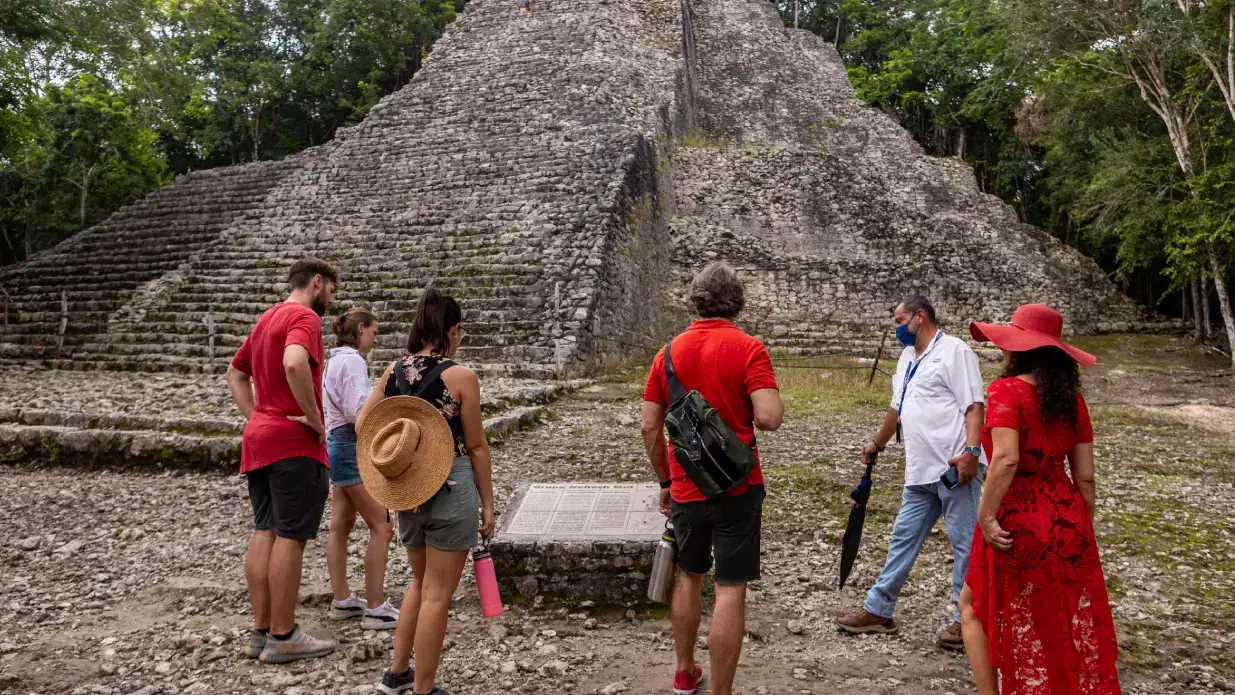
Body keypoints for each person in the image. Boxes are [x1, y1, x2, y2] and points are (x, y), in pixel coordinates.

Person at [961, 305, 1122, 695]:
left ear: (1019, 349)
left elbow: (1006, 458)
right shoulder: (1072, 402)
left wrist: (986, 516)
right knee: (1055, 614)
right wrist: (1081, 525)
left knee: (974, 606)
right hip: (1066, 515)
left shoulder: (1007, 390)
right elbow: (1084, 476)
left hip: (1016, 517)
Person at [641, 262, 784, 695]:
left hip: (686, 486)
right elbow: (770, 417)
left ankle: (685, 673)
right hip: (738, 487)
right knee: (730, 589)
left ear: (695, 299)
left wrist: (666, 481)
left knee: (689, 574)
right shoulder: (750, 348)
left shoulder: (666, 354)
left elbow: (650, 426)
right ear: (736, 302)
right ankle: (722, 690)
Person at [356, 288, 496, 695]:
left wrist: (394, 458)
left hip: (408, 490)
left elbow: (365, 423)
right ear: (453, 330)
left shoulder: (393, 372)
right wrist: (488, 504)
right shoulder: (461, 377)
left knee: (419, 585)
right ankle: (425, 688)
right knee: (437, 595)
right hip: (452, 489)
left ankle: (397, 673)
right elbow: (476, 446)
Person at [837, 295, 985, 651]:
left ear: (920, 317)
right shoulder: (906, 358)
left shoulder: (954, 352)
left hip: (954, 467)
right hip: (920, 470)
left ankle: (967, 619)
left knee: (965, 542)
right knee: (904, 536)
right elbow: (896, 408)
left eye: (900, 319)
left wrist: (971, 452)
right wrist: (878, 443)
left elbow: (974, 405)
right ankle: (879, 609)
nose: (896, 327)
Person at [225, 257, 339, 664]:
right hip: (294, 443)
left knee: (265, 529)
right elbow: (294, 362)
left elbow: (234, 373)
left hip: (260, 439)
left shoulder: (266, 317)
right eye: (331, 291)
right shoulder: (303, 317)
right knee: (291, 534)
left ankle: (260, 631)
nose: (330, 299)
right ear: (317, 282)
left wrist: (258, 416)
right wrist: (312, 417)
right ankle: (284, 634)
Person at [322, 307, 400, 629]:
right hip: (349, 447)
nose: (376, 338)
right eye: (374, 332)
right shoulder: (353, 360)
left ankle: (342, 600)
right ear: (362, 329)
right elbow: (359, 414)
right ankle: (376, 606)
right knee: (382, 526)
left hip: (335, 443)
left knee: (340, 523)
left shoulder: (333, 360)